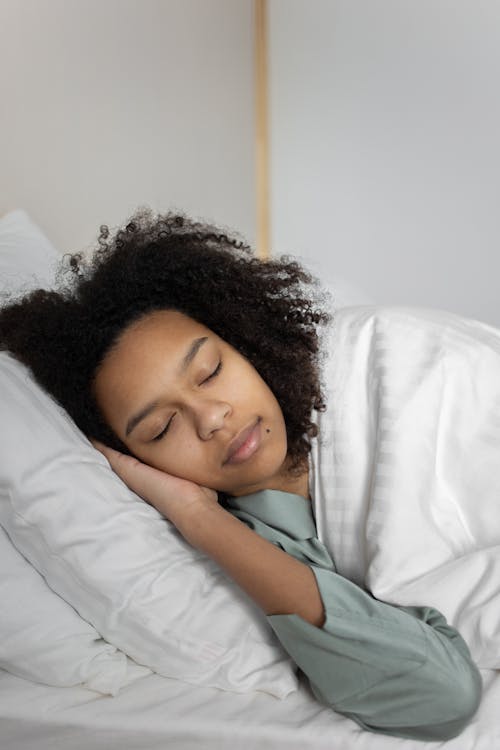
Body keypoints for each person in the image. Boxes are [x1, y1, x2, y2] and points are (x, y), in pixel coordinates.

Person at [0, 209, 482, 741]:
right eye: (162, 429)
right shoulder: (261, 541)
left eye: (210, 372)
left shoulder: (374, 364)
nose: (211, 418)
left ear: (244, 341)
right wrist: (197, 516)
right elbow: (442, 695)